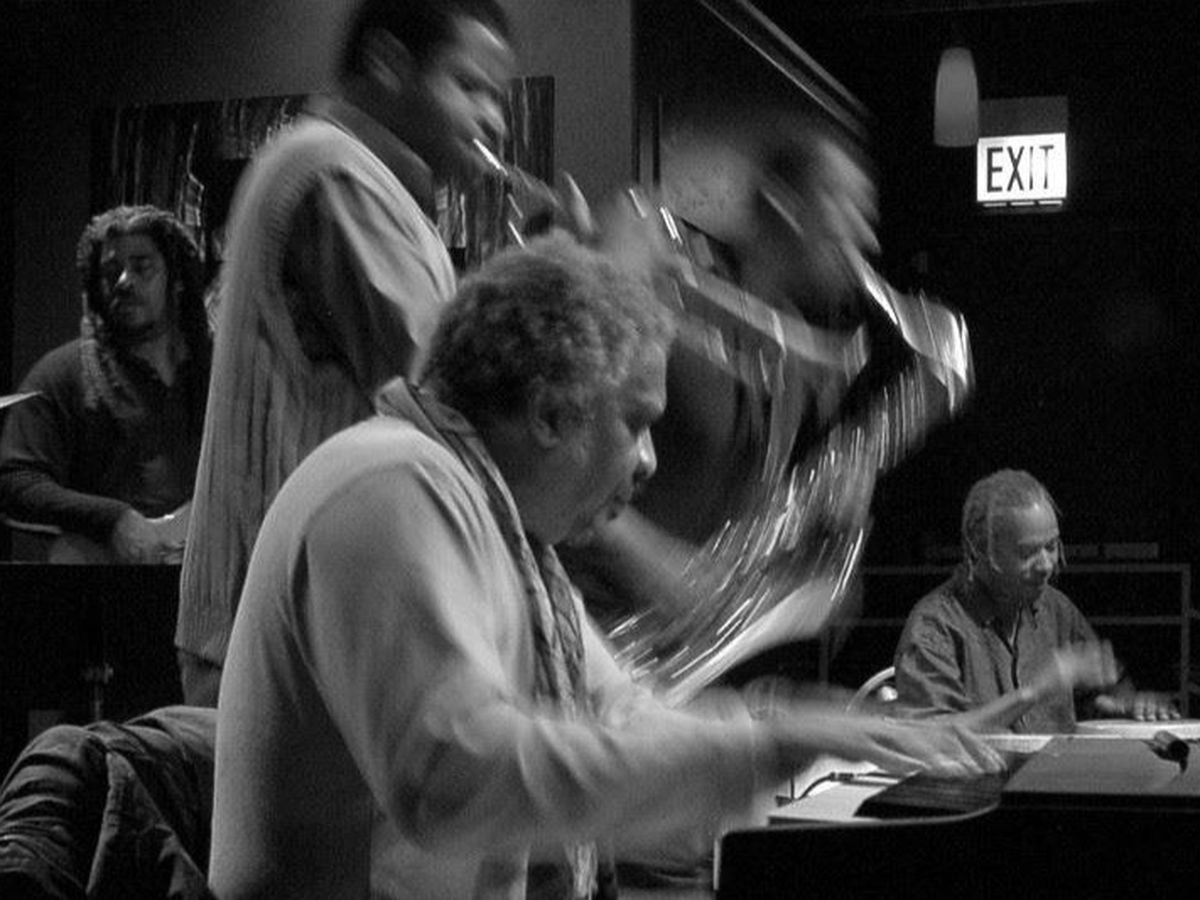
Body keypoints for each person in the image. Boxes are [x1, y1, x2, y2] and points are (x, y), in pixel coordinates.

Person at [209, 235, 1002, 900]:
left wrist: (817, 733)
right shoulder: (392, 483)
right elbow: (452, 780)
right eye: (636, 422)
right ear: (551, 412)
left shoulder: (508, 536)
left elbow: (622, 718)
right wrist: (765, 748)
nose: (648, 461)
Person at [176, 0, 518, 706]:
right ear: (388, 64)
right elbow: (456, 405)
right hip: (287, 633)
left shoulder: (360, 179)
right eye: (471, 87)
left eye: (499, 99)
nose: (495, 122)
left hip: (290, 628)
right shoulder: (336, 173)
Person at [893, 468, 1180, 733]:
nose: (1046, 565)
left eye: (1052, 546)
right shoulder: (936, 625)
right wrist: (1033, 691)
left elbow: (1104, 694)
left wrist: (1130, 704)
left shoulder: (1057, 608)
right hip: (974, 774)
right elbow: (931, 736)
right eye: (1028, 552)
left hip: (1053, 771)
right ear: (980, 550)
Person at [0, 205, 210, 565]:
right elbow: (14, 479)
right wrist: (110, 519)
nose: (124, 281)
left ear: (175, 277)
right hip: (104, 585)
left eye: (142, 267)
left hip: (207, 580)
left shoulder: (216, 371)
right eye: (111, 272)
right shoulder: (62, 373)